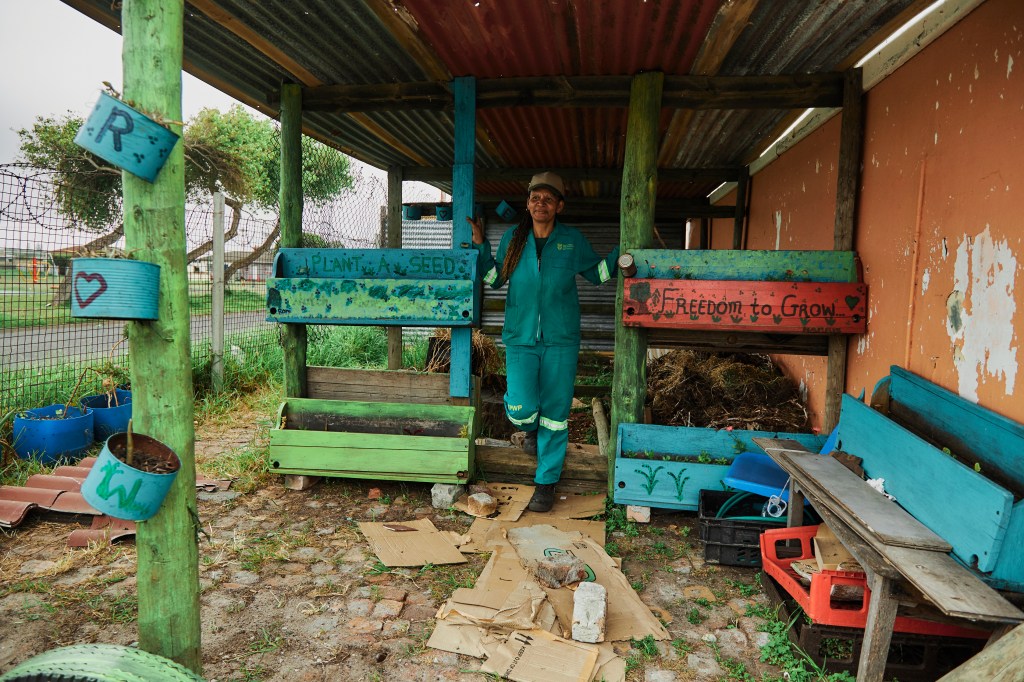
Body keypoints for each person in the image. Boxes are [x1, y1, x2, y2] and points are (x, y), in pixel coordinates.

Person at [468, 172, 618, 512]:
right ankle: (530, 429)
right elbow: (495, 279)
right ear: (528, 203)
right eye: (536, 197)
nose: (541, 203)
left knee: (556, 415)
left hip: (561, 339)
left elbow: (598, 274)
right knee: (521, 407)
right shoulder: (513, 238)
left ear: (559, 206)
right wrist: (481, 246)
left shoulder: (572, 240)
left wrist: (623, 252)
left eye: (548, 199)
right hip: (520, 336)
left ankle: (545, 484)